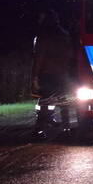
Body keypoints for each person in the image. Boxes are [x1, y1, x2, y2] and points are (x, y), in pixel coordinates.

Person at [31, 9, 75, 138]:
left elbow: (39, 58)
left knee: (45, 102)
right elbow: (70, 55)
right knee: (63, 101)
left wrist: (35, 76)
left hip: (48, 74)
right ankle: (66, 128)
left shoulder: (43, 37)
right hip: (63, 74)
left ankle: (39, 130)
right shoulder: (65, 36)